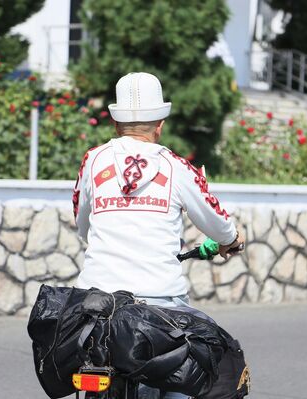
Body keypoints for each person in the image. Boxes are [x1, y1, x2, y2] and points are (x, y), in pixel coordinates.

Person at [72, 72, 244, 398]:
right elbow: (217, 221)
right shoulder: (176, 168)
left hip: (96, 303)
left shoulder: (92, 161)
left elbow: (83, 225)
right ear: (160, 124)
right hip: (161, 302)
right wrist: (231, 239)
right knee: (203, 366)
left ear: (116, 123)